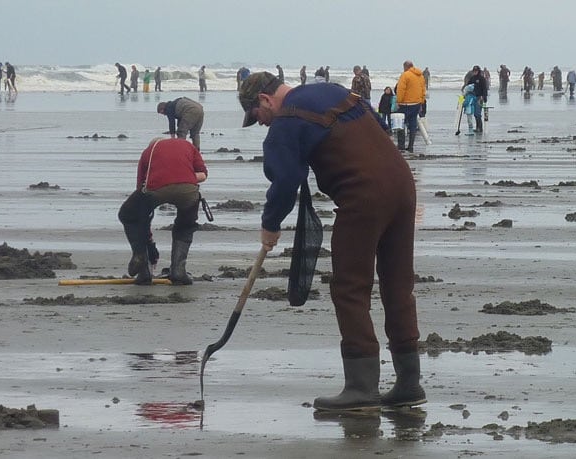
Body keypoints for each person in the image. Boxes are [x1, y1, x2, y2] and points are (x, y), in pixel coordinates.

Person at [237, 71, 425, 412]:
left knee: (349, 287)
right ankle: (409, 383)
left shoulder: (286, 121)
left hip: (363, 195)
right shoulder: (334, 91)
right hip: (402, 184)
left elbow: (285, 180)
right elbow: (379, 126)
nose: (261, 124)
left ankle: (361, 387)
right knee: (398, 285)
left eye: (256, 117)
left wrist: (270, 225)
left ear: (264, 100)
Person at [117, 137, 207, 285]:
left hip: (156, 188)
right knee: (185, 226)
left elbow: (141, 186)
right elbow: (203, 174)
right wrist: (183, 177)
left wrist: (149, 241)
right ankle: (179, 272)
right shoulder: (188, 145)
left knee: (128, 215)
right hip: (189, 189)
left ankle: (142, 266)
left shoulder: (149, 151)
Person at [395, 60, 427, 152]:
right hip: (416, 103)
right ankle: (410, 146)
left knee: (400, 123)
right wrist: (421, 101)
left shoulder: (405, 75)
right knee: (412, 124)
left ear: (405, 67)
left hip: (405, 104)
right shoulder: (420, 76)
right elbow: (423, 90)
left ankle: (401, 145)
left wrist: (398, 101)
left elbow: (401, 89)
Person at [466, 66, 488, 133]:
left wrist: (484, 97)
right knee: (474, 113)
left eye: (476, 71)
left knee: (478, 113)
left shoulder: (482, 79)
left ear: (478, 71)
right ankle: (477, 127)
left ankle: (480, 128)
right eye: (474, 71)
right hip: (473, 98)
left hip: (480, 97)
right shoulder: (472, 78)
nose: (475, 72)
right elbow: (468, 86)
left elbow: (484, 88)